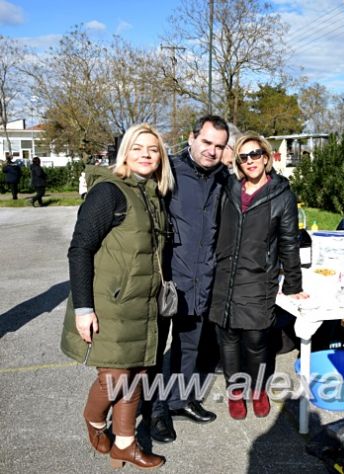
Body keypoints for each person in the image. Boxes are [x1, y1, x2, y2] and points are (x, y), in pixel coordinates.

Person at [60, 123, 173, 469]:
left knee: (135, 374)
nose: (145, 154)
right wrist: (83, 309)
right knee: (113, 379)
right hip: (110, 305)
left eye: (152, 149)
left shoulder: (153, 194)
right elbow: (80, 249)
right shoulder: (109, 192)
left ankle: (125, 443)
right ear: (125, 151)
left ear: (160, 158)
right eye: (138, 147)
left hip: (143, 305)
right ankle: (94, 422)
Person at [209, 132, 308, 420]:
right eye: (244, 156)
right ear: (237, 161)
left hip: (258, 277)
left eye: (255, 154)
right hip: (225, 276)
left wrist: (293, 284)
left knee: (256, 340)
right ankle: (235, 391)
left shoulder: (282, 196)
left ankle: (258, 389)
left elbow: (289, 242)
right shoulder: (228, 188)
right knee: (227, 339)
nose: (250, 160)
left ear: (266, 157)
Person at [149, 115, 229, 443]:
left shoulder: (224, 177)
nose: (211, 150)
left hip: (202, 277)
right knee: (156, 349)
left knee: (190, 345)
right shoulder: (168, 170)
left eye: (219, 146)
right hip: (168, 278)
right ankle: (156, 410)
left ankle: (181, 400)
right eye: (206, 142)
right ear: (192, 138)